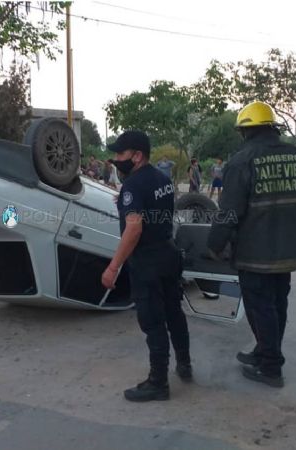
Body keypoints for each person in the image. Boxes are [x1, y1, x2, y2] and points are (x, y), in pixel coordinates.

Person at [205, 101, 296, 388]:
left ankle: (270, 367)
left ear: (246, 131)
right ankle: (264, 351)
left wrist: (214, 244)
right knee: (278, 303)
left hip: (255, 252)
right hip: (288, 250)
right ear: (272, 127)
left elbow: (228, 212)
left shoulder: (242, 161)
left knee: (260, 306)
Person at [101, 130, 191, 402]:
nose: (117, 160)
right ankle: (185, 365)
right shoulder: (162, 179)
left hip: (147, 262)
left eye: (120, 154)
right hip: (168, 254)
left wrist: (113, 267)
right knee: (174, 313)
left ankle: (158, 382)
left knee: (153, 322)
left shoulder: (133, 185)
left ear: (136, 156)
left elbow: (134, 228)